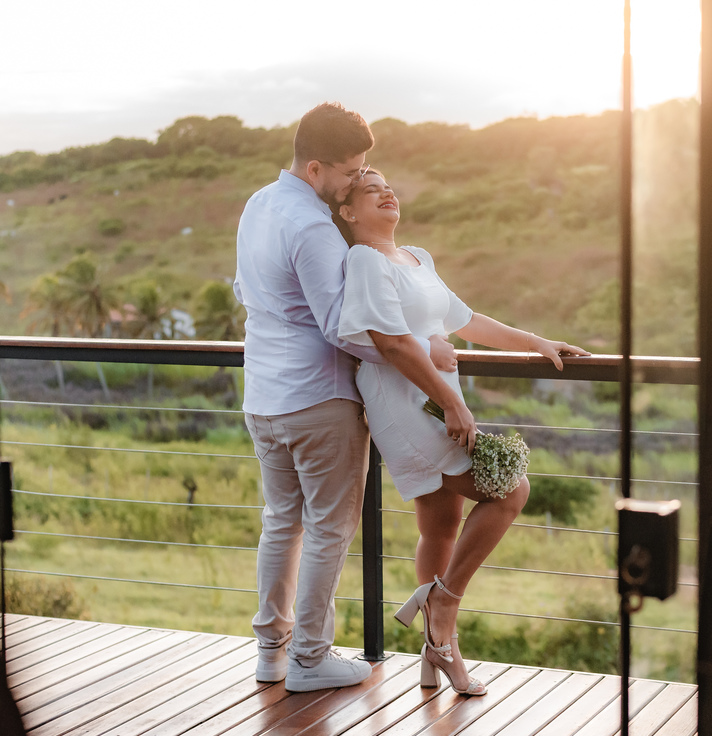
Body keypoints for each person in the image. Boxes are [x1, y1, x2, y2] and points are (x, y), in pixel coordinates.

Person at [335, 169, 589, 695]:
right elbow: (389, 341)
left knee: (441, 524)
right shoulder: (364, 260)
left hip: (438, 398)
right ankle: (443, 605)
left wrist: (538, 342)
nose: (386, 192)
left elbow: (467, 320)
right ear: (348, 213)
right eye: (368, 189)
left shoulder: (418, 258)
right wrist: (452, 400)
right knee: (511, 489)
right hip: (406, 403)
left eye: (388, 186)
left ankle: (437, 651)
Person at [234, 104, 457, 693]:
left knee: (282, 523)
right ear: (315, 167)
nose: (358, 179)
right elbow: (343, 324)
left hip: (262, 393)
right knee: (330, 527)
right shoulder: (310, 224)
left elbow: (246, 291)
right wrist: (423, 352)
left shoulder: (258, 204)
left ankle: (270, 652)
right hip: (317, 397)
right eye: (350, 169)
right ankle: (310, 657)